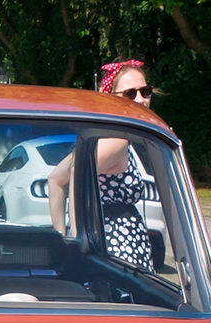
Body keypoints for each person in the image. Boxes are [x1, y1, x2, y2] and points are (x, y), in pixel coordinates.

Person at [46, 59, 156, 271]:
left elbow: (56, 179)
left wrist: (64, 238)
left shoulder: (101, 138)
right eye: (130, 94)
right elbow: (74, 173)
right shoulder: (118, 140)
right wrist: (77, 239)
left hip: (108, 246)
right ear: (110, 97)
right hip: (120, 249)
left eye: (145, 91)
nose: (141, 99)